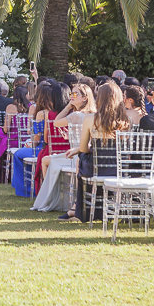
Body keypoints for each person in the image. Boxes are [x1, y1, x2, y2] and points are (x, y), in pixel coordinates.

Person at [59, 81, 131, 221]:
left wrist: (80, 150)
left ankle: (80, 210)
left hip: (96, 168)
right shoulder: (126, 120)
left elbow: (85, 148)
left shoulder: (91, 119)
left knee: (81, 158)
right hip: (118, 168)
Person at [32, 83, 96, 211]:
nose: (71, 96)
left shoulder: (76, 115)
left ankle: (49, 197)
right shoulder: (93, 113)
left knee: (45, 160)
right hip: (85, 153)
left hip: (76, 155)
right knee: (46, 160)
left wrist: (68, 106)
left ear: (85, 98)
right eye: (70, 94)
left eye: (75, 94)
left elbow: (56, 122)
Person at [11, 83, 51, 197]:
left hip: (41, 148)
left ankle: (26, 189)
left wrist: (31, 142)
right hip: (54, 148)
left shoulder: (41, 114)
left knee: (18, 154)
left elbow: (36, 140)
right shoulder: (57, 112)